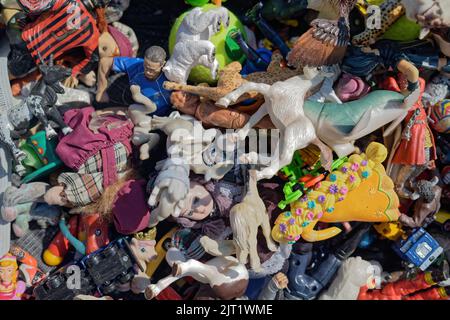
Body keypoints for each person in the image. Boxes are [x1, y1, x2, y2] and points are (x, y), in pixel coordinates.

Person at [96, 46, 172, 116]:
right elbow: (105, 62)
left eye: (152, 70)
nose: (147, 72)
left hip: (161, 116)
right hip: (134, 109)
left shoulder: (170, 77)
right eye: (146, 67)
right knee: (98, 114)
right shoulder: (137, 65)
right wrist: (102, 90)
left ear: (163, 64)